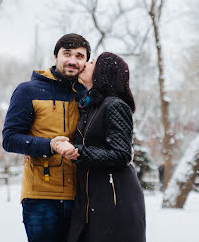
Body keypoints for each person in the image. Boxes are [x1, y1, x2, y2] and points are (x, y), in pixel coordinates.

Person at [2, 33, 90, 242]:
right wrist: (49, 145)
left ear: (86, 62)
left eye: (79, 56)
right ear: (55, 57)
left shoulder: (86, 95)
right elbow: (10, 138)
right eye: (66, 54)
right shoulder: (28, 90)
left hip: (81, 196)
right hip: (41, 197)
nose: (72, 60)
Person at [53, 52, 146, 242]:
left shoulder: (114, 105)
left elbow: (121, 154)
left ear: (103, 71)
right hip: (91, 198)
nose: (85, 65)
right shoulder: (90, 106)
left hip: (113, 199)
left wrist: (79, 152)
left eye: (92, 62)